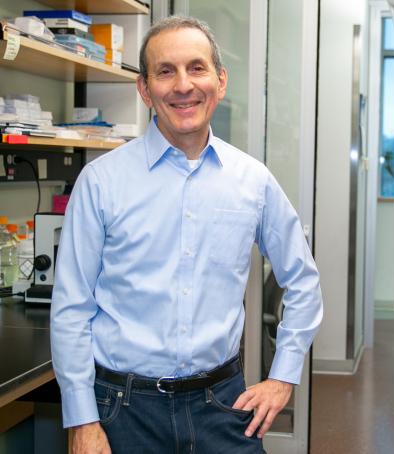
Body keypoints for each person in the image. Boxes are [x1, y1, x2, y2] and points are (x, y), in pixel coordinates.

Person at [50, 16, 323, 453]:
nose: (182, 86)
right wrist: (82, 419)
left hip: (223, 404)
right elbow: (71, 308)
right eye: (165, 71)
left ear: (221, 79)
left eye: (196, 68)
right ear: (144, 89)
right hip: (122, 410)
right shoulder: (101, 181)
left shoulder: (252, 181)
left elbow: (304, 281)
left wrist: (283, 376)